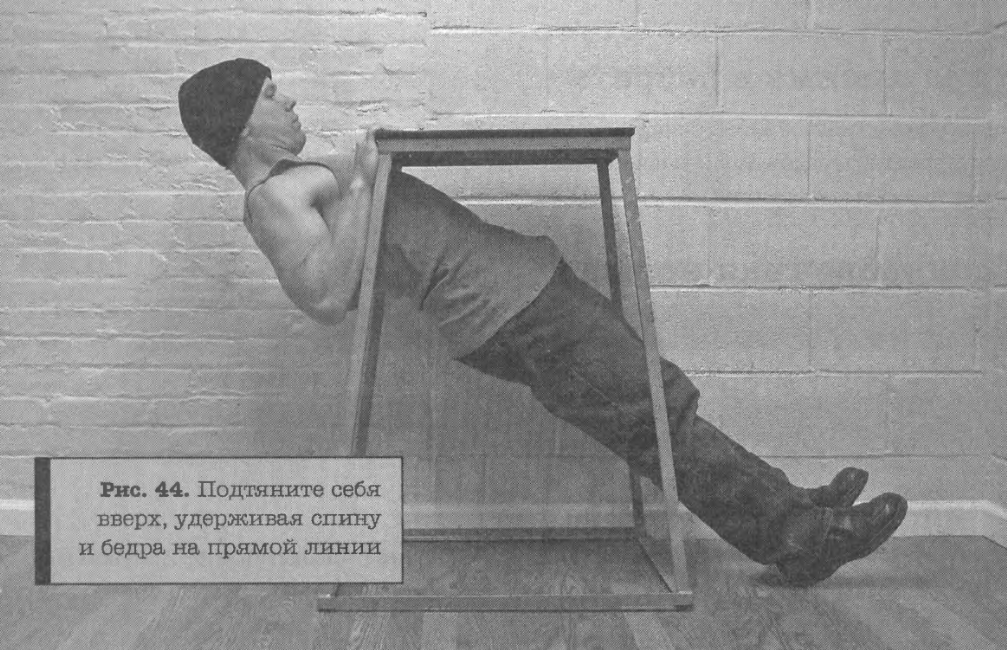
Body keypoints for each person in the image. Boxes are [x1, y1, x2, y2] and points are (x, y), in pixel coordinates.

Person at [177, 58, 907, 587]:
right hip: (508, 309)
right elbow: (324, 297)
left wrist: (368, 171)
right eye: (271, 95)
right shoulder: (271, 198)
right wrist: (367, 179)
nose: (290, 102)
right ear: (242, 124)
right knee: (652, 412)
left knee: (656, 403)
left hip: (519, 292)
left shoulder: (305, 175)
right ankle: (798, 535)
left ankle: (789, 507)